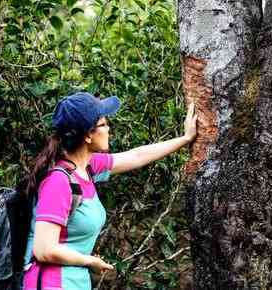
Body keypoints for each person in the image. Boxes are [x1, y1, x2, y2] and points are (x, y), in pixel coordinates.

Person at [21, 92, 198, 290]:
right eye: (104, 124)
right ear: (88, 135)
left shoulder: (87, 166)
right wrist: (89, 261)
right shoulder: (58, 181)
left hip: (73, 281)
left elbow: (137, 156)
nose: (109, 129)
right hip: (51, 283)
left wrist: (185, 138)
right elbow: (44, 249)